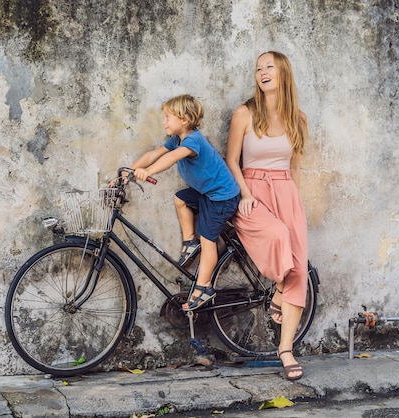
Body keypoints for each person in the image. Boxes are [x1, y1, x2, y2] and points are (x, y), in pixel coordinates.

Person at [225, 51, 309, 380]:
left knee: (299, 268)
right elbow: (232, 159)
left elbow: (296, 168)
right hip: (253, 192)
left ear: (283, 73)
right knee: (277, 235)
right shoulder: (244, 114)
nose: (262, 72)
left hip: (286, 191)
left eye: (269, 67)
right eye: (258, 68)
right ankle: (277, 286)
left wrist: (296, 207)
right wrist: (245, 193)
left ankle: (285, 349)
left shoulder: (298, 119)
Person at [128, 94, 240, 311]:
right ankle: (190, 242)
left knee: (209, 241)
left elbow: (172, 157)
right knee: (181, 199)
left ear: (185, 119)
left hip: (221, 198)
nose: (164, 121)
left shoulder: (193, 141)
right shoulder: (176, 139)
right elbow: (154, 154)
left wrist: (148, 172)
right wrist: (128, 173)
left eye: (168, 117)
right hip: (208, 194)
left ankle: (204, 287)